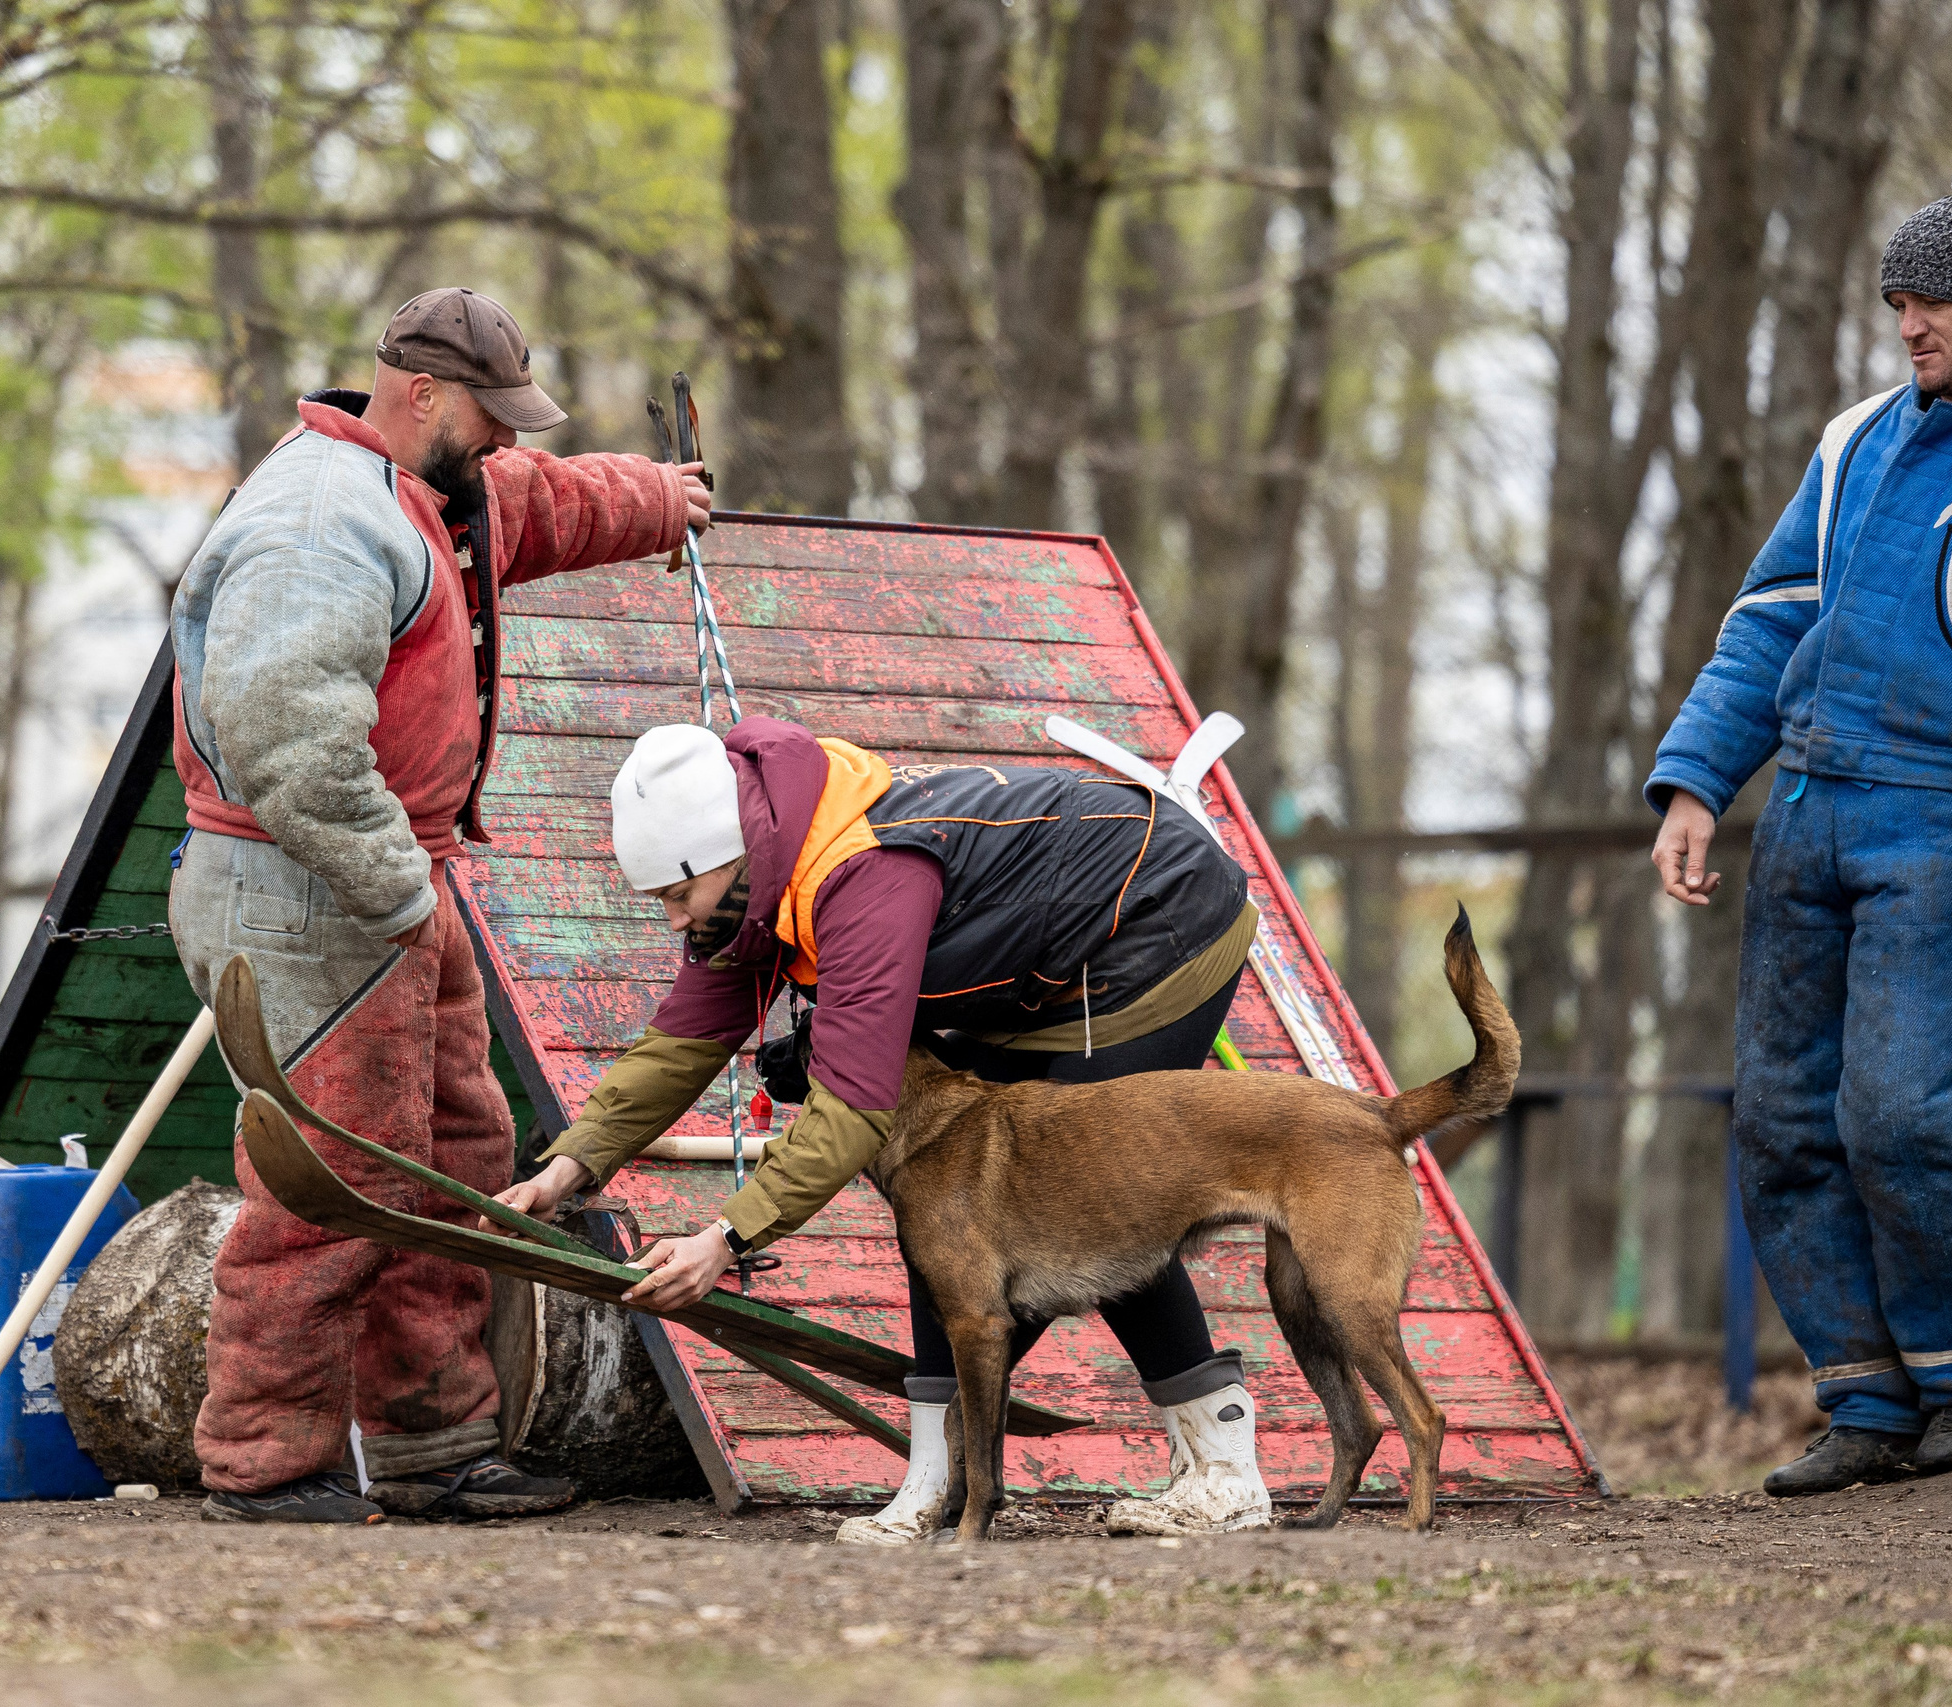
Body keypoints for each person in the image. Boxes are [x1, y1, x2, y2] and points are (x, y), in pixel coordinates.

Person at [167, 288, 711, 1523]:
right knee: (334, 1184)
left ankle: (433, 1447)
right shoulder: (318, 526)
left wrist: (659, 501)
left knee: (456, 1162)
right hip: (311, 886)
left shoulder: (438, 490)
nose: (508, 441)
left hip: (395, 883)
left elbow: (544, 500)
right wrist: (397, 888)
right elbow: (281, 744)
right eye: (492, 415)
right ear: (419, 395)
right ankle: (262, 1463)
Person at [1648, 164, 1952, 1495]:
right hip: (1804, 811)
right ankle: (1864, 1396)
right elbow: (1768, 620)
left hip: (1948, 822)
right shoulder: (1855, 437)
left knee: (1909, 1112)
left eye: (1930, 304)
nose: (1909, 326)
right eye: (1898, 303)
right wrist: (1697, 781)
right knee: (1784, 1122)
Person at [492, 716, 1270, 1542]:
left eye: (680, 896)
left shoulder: (862, 878)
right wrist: (563, 1169)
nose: (676, 921)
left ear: (728, 854)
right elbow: (679, 1047)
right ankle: (949, 1477)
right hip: (1037, 962)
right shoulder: (755, 884)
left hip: (1159, 916)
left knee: (1082, 1192)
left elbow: (853, 1109)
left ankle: (1215, 1472)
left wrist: (726, 1236)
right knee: (946, 1206)